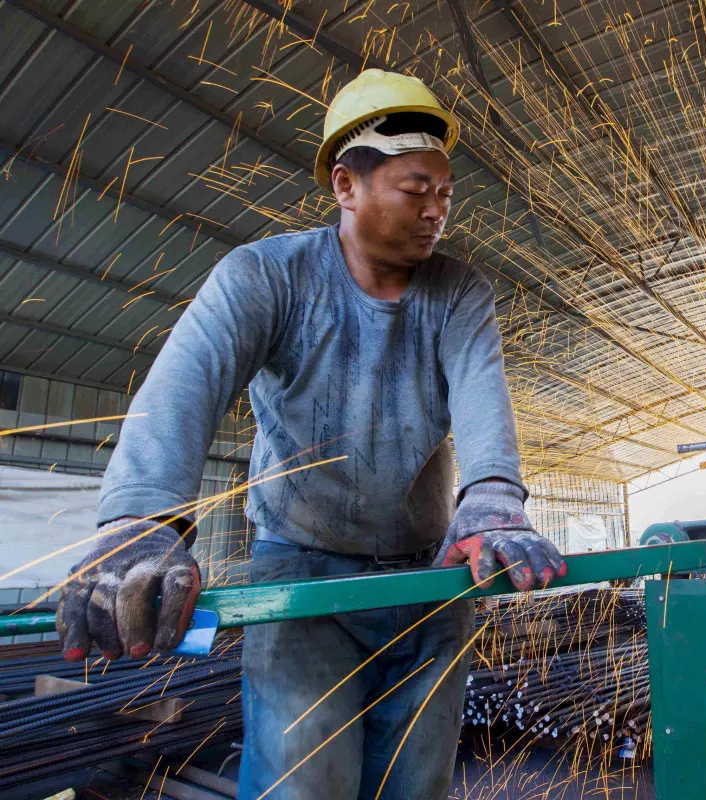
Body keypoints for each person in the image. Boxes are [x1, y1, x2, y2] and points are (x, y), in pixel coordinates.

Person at [54, 69, 566, 800]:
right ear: (345, 186)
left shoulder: (460, 293)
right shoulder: (267, 278)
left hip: (429, 580)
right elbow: (184, 385)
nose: (436, 213)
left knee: (414, 786)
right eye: (416, 192)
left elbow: (485, 397)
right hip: (302, 582)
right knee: (306, 787)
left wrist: (491, 499)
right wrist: (141, 517)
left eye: (445, 197)